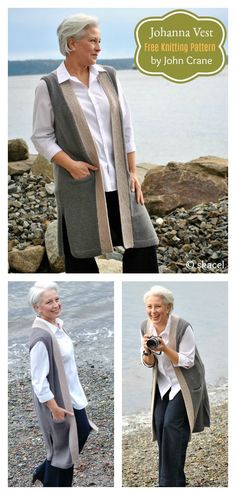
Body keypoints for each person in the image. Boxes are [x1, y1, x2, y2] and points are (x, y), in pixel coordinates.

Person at [31, 13, 159, 273]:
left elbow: (126, 127)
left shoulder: (109, 76)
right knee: (80, 253)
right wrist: (70, 165)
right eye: (92, 41)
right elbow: (41, 136)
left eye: (100, 41)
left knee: (144, 244)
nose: (99, 47)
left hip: (120, 181)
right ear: (71, 43)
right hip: (80, 184)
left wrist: (133, 171)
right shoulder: (50, 86)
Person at [28, 281, 97, 487]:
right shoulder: (41, 337)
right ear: (37, 308)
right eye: (49, 302)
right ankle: (52, 483)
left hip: (73, 396)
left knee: (79, 433)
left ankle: (43, 471)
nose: (56, 304)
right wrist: (53, 408)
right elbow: (38, 380)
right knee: (61, 450)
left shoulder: (57, 327)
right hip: (56, 402)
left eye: (57, 299)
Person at [140, 285, 210, 487]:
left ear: (168, 307)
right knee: (161, 425)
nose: (153, 311)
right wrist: (148, 351)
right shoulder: (145, 326)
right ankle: (174, 480)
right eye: (149, 306)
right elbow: (148, 364)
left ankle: (168, 483)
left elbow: (188, 361)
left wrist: (164, 348)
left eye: (158, 306)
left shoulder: (183, 327)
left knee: (172, 424)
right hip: (163, 384)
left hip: (185, 384)